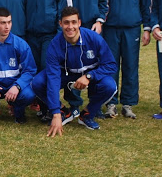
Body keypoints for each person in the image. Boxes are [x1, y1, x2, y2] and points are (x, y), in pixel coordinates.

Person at [32, 7, 117, 135]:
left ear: (79, 23)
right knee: (37, 82)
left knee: (110, 86)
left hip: (89, 75)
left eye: (73, 22)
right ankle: (63, 112)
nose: (70, 27)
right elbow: (53, 79)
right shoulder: (54, 45)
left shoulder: (94, 38)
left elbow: (110, 65)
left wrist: (89, 76)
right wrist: (55, 113)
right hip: (65, 75)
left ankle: (87, 114)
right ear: (60, 24)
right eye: (66, 22)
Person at [62, 0, 109, 117]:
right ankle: (74, 104)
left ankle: (94, 106)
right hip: (70, 28)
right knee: (71, 64)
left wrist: (99, 21)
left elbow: (105, 0)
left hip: (91, 27)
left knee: (93, 65)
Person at [103, 0, 151, 119]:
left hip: (132, 29)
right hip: (110, 29)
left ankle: (128, 103)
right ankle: (111, 103)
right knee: (110, 67)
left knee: (131, 66)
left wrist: (147, 28)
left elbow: (147, 5)